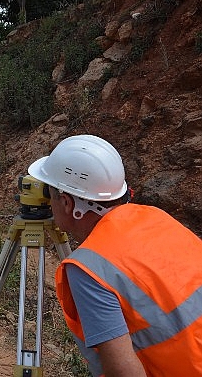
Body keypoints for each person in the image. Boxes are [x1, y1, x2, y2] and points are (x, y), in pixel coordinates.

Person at [27, 134, 202, 376]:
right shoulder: (156, 217)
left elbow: (124, 373)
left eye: (50, 192)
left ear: (67, 203)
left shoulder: (89, 269)